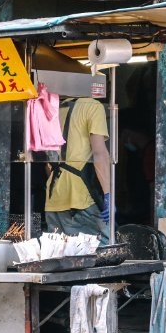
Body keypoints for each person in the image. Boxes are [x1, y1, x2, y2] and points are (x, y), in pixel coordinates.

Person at [44, 97, 111, 244]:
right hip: (81, 199)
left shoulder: (53, 109)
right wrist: (107, 194)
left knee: (60, 258)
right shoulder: (93, 106)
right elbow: (99, 154)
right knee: (99, 252)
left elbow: (47, 161)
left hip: (54, 197)